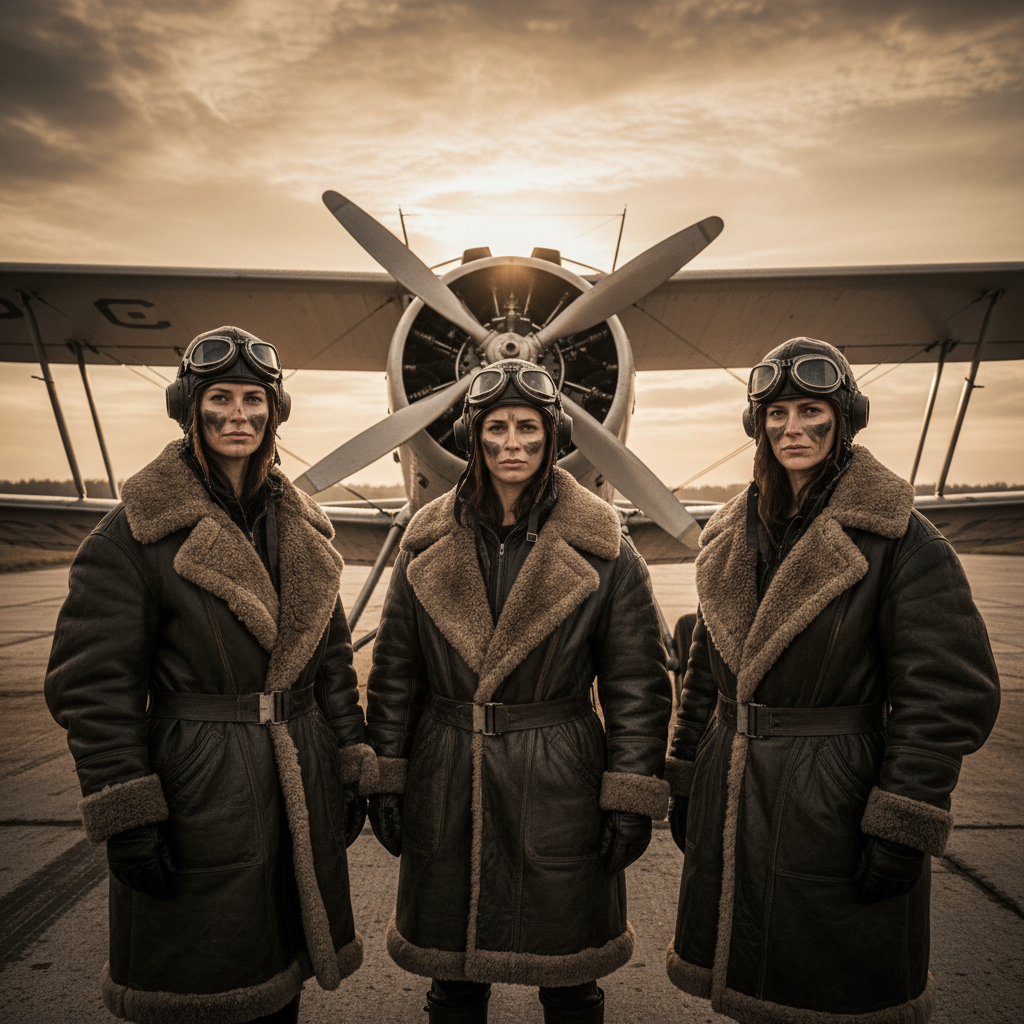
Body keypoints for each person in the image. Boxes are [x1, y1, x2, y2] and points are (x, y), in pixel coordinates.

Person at [664, 337, 1001, 1022]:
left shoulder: (906, 541)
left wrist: (902, 822)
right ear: (758, 426)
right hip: (731, 789)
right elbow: (706, 666)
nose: (793, 429)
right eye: (777, 414)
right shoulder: (731, 536)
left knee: (829, 995)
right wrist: (685, 773)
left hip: (835, 800)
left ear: (843, 420)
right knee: (747, 986)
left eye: (812, 412)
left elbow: (945, 692)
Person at [45, 327, 375, 1024]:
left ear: (274, 411)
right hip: (198, 792)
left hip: (297, 782)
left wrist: (348, 764)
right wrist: (127, 812)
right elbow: (90, 687)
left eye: (254, 400)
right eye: (218, 398)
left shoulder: (306, 530)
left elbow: (333, 664)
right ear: (189, 409)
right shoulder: (131, 534)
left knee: (280, 984)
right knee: (198, 991)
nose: (238, 415)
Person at [365, 359, 672, 1023]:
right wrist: (387, 779)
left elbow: (637, 686)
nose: (512, 443)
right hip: (448, 774)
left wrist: (630, 795)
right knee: (453, 979)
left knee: (571, 979)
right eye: (497, 428)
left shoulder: (608, 551)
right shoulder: (423, 544)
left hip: (560, 775)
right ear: (475, 437)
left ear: (552, 436)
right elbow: (395, 675)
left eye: (528, 428)